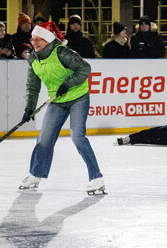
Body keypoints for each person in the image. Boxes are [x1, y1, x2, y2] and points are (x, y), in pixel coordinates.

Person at [19, 21, 105, 194]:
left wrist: (67, 83)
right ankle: (36, 174)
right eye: (33, 39)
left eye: (39, 39)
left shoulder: (62, 53)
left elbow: (84, 68)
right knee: (44, 139)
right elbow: (33, 87)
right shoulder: (33, 59)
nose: (34, 42)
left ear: (49, 40)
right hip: (57, 102)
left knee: (77, 137)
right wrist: (29, 108)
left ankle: (97, 178)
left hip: (78, 98)